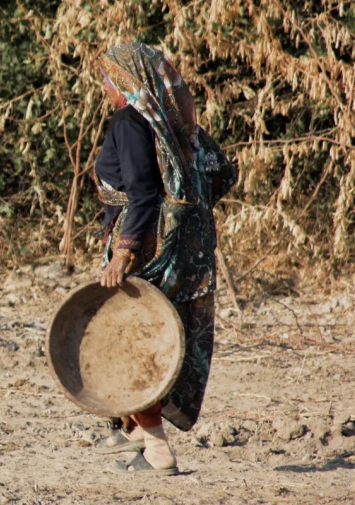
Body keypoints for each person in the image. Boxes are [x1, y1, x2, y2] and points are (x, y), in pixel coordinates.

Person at [91, 42, 237, 475]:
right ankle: (129, 428)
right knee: (161, 336)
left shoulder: (128, 122)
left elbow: (143, 193)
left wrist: (124, 251)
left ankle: (155, 446)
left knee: (133, 338)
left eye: (107, 79)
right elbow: (223, 174)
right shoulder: (175, 125)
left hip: (148, 247)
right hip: (183, 249)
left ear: (125, 81)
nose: (104, 88)